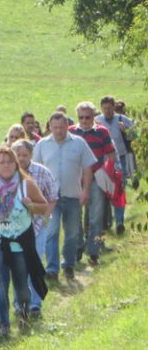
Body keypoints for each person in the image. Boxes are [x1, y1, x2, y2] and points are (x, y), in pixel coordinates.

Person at [0, 146, 50, 337]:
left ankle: (24, 316)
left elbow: (44, 207)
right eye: (1, 162)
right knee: (0, 283)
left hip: (20, 241)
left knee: (21, 284)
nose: (6, 166)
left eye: (9, 161)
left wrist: (31, 205)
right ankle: (4, 326)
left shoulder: (26, 184)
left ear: (16, 164)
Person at [33, 111, 96, 280]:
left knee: (72, 233)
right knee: (51, 232)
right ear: (50, 127)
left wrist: (86, 190)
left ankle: (68, 264)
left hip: (72, 195)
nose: (59, 131)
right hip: (49, 199)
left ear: (67, 126)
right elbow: (35, 170)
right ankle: (52, 269)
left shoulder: (79, 143)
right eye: (55, 127)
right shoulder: (42, 145)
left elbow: (88, 168)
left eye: (61, 127)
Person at [12, 139, 58, 318]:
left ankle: (35, 304)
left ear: (31, 155)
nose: (21, 158)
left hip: (37, 227)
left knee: (35, 264)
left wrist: (46, 218)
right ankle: (19, 304)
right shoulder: (6, 174)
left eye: (25, 155)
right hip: (14, 229)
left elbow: (53, 197)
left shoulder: (42, 172)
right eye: (18, 155)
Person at [69, 101, 115, 266]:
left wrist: (108, 173)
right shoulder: (71, 132)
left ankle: (94, 252)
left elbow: (111, 154)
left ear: (94, 116)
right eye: (81, 117)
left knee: (96, 218)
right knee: (75, 217)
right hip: (75, 181)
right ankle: (79, 247)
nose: (84, 120)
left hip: (96, 179)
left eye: (87, 117)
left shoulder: (102, 132)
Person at [96, 95, 136, 234]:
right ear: (101, 108)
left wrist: (126, 130)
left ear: (114, 107)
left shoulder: (122, 119)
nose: (107, 110)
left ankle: (119, 221)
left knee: (119, 190)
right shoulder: (97, 121)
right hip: (103, 161)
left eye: (109, 107)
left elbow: (136, 137)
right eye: (104, 108)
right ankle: (107, 221)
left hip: (122, 159)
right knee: (104, 191)